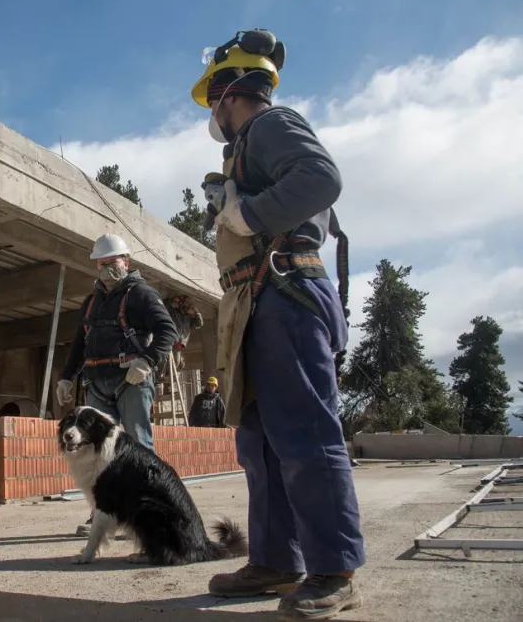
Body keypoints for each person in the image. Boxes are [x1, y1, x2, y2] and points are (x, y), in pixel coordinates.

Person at [190, 30, 366, 619]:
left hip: (287, 294)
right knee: (261, 444)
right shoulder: (246, 146)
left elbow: (321, 178)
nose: (211, 113)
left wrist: (248, 211)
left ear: (229, 91)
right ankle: (276, 560)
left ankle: (334, 569)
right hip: (259, 302)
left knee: (306, 438)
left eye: (213, 99)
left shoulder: (269, 124)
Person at [55, 233, 179, 535]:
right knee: (97, 454)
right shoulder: (91, 302)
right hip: (97, 383)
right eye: (101, 263)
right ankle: (103, 514)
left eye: (112, 262)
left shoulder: (141, 294)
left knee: (138, 447)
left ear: (127, 261)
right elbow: (80, 343)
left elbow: (167, 330)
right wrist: (66, 376)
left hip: (131, 381)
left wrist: (147, 360)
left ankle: (145, 514)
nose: (106, 268)